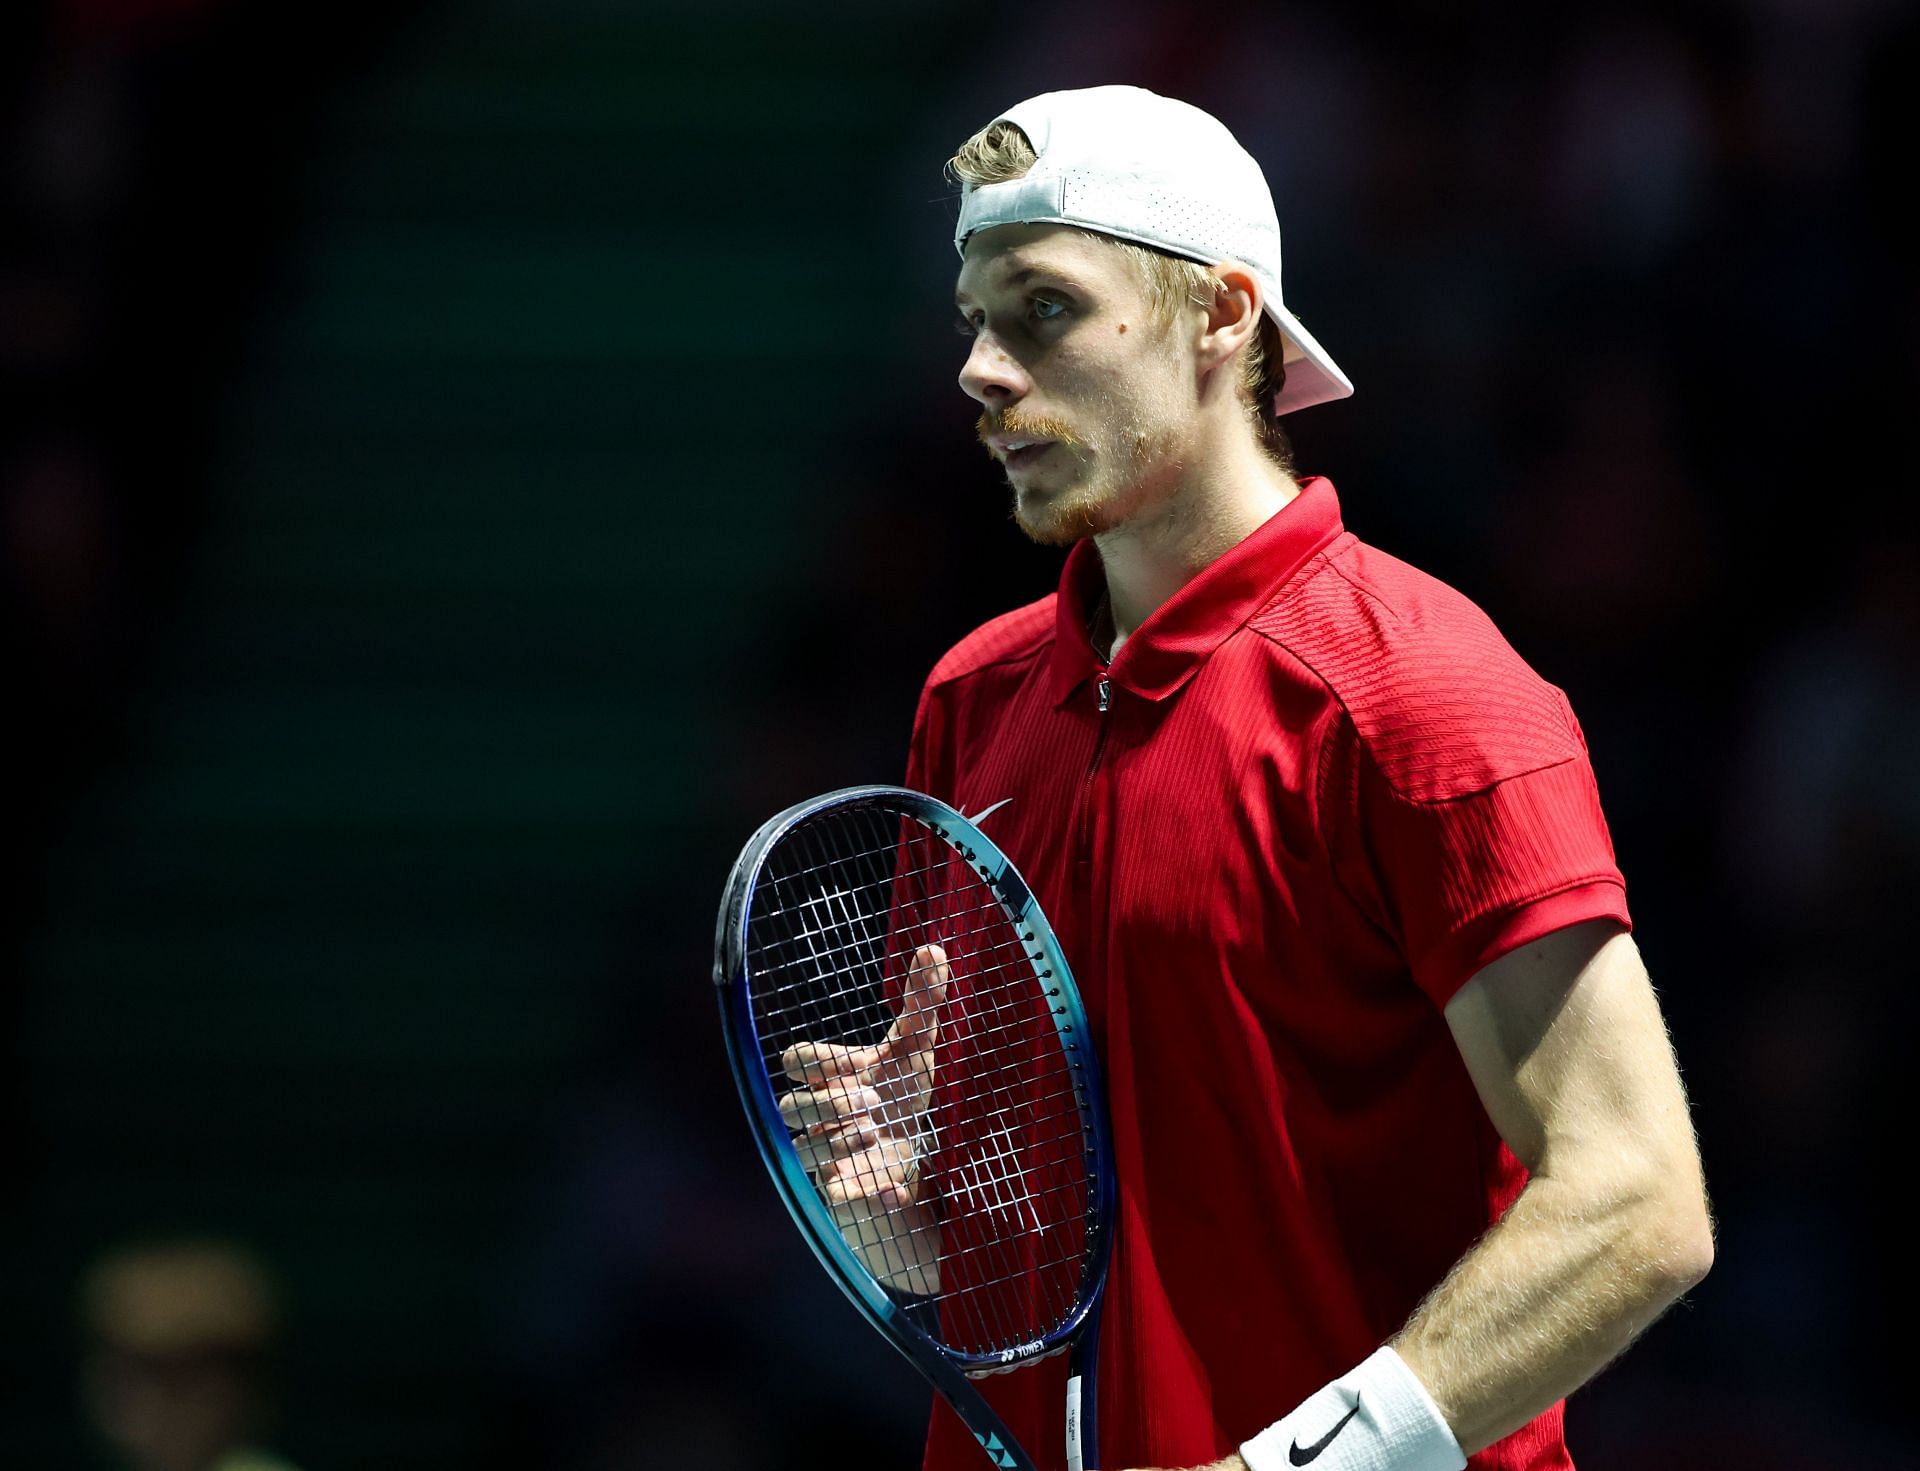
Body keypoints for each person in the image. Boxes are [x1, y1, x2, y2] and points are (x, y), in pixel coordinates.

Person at [782, 84, 1712, 1471]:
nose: (981, 368)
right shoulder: (973, 702)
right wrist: (907, 1222)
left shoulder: (1421, 695)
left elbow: (1638, 1203)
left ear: (1221, 317)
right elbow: (1033, 1247)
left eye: (1041, 309)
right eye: (976, 316)